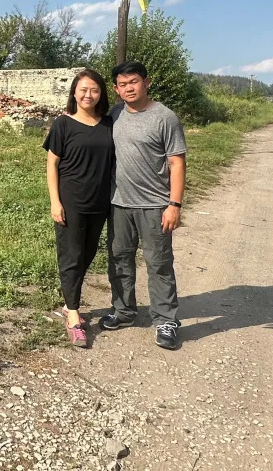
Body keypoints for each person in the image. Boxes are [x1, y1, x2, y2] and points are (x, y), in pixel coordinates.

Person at [100, 61, 187, 350]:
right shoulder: (114, 114)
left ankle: (166, 320)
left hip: (155, 205)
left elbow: (176, 162)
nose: (129, 88)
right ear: (116, 89)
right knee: (119, 258)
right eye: (123, 84)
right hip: (119, 204)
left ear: (146, 83)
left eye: (134, 82)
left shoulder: (165, 117)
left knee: (159, 264)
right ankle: (124, 310)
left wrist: (174, 204)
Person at [44, 69, 114, 349]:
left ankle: (67, 302)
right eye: (83, 89)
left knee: (86, 255)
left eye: (94, 90)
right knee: (71, 256)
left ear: (101, 94)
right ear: (74, 92)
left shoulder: (109, 123)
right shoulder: (63, 124)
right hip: (71, 201)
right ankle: (73, 316)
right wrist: (55, 201)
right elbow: (52, 164)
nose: (88, 95)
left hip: (99, 202)